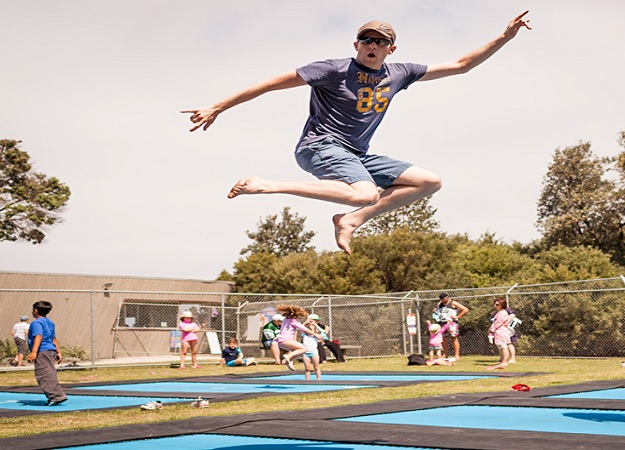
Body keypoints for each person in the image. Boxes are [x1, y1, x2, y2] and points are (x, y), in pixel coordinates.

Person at [183, 12, 532, 254]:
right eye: (366, 39)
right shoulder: (331, 69)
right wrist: (219, 106)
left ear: (390, 49)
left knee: (429, 182)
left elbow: (460, 66)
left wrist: (505, 36)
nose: (372, 45)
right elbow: (269, 84)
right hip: (319, 146)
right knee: (365, 191)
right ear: (356, 44)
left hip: (358, 153)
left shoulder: (400, 73)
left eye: (380, 42)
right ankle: (267, 185)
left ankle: (351, 220)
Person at [26, 301, 66, 406]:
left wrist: (34, 352)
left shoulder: (36, 323)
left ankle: (56, 396)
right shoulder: (50, 322)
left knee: (43, 373)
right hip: (50, 349)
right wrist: (59, 352)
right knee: (49, 372)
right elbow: (53, 338)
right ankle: (55, 395)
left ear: (35, 310)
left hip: (42, 350)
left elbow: (38, 336)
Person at [275, 305, 320, 371]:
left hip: (280, 341)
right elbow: (304, 329)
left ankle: (290, 362)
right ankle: (288, 356)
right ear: (296, 315)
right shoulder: (293, 321)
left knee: (299, 352)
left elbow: (299, 326)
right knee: (304, 349)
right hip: (285, 340)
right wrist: (315, 334)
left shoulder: (286, 319)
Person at [432, 293, 469, 360]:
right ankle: (445, 354)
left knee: (453, 338)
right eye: (441, 299)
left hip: (452, 323)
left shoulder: (453, 303)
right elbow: (436, 310)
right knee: (443, 339)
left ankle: (457, 355)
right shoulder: (440, 304)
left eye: (444, 298)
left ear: (448, 297)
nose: (443, 300)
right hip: (442, 322)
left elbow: (465, 309)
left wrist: (458, 316)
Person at [486, 298, 512, 370]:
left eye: (497, 304)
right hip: (498, 332)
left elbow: (498, 323)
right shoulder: (499, 313)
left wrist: (491, 330)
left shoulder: (502, 313)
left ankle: (504, 362)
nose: (495, 306)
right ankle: (502, 360)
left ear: (502, 305)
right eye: (494, 304)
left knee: (503, 347)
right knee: (500, 347)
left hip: (501, 332)